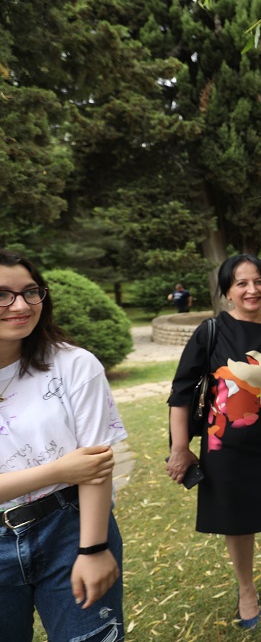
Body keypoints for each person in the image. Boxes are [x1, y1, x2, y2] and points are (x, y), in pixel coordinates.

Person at [166, 253, 261, 630]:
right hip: (228, 448)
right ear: (227, 291)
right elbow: (181, 392)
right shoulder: (212, 330)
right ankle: (246, 589)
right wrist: (180, 448)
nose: (252, 289)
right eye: (241, 283)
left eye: (259, 281)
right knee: (238, 521)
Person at [0, 249, 127, 642]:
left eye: (30, 291)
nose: (21, 306)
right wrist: (59, 470)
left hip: (70, 528)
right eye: (2, 295)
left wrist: (93, 549)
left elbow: (96, 465)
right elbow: (77, 467)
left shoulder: (75, 365)